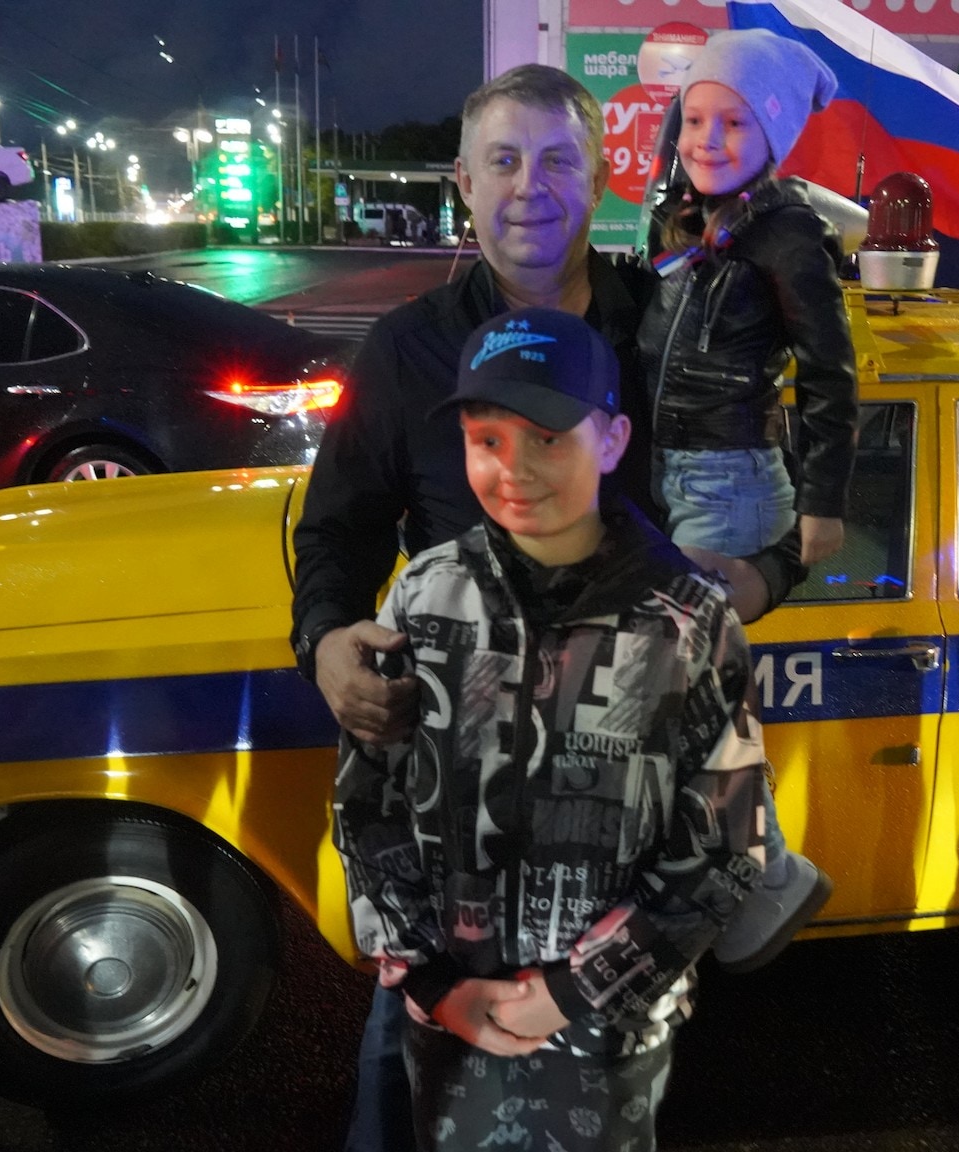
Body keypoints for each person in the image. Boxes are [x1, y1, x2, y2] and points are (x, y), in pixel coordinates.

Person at [289, 65, 808, 1152]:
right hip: (454, 818)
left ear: (602, 174)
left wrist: (765, 575)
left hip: (621, 821)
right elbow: (335, 530)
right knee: (401, 1106)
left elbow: (785, 466)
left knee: (614, 1099)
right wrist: (328, 638)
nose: (531, 186)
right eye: (504, 160)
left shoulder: (676, 320)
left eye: (559, 159)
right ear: (464, 182)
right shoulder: (408, 350)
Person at [332, 306, 765, 1152]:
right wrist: (431, 980)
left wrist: (574, 990)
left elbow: (726, 846)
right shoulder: (425, 597)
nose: (514, 469)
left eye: (547, 438)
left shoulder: (687, 623)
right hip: (450, 1016)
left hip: (609, 1029)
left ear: (612, 441)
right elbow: (367, 804)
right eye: (486, 439)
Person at [636, 28, 858, 967]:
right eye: (695, 119)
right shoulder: (685, 218)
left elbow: (831, 373)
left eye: (734, 122)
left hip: (728, 486)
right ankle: (737, 874)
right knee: (678, 693)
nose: (708, 138)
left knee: (677, 693)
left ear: (773, 134)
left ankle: (766, 877)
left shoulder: (786, 231)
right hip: (667, 478)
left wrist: (822, 503)